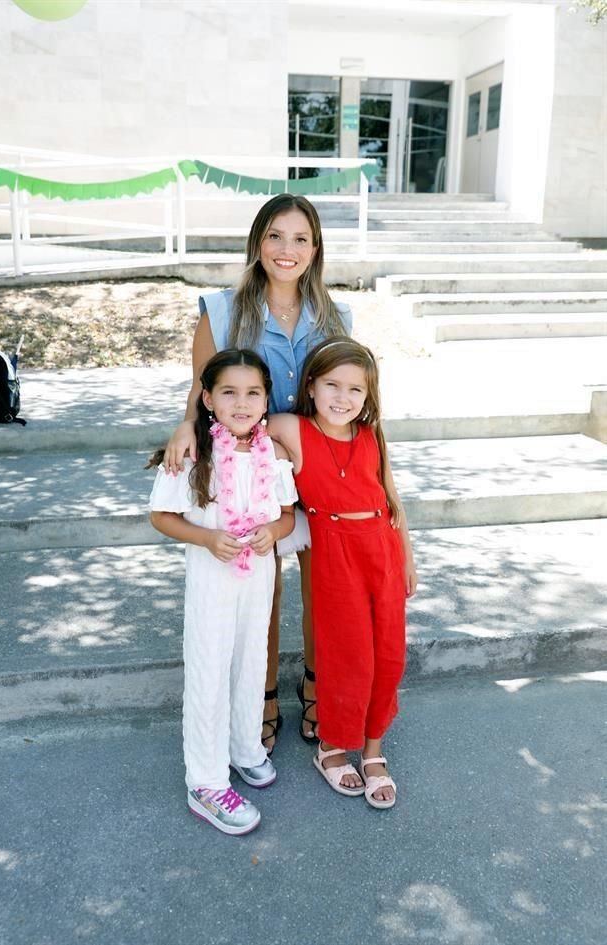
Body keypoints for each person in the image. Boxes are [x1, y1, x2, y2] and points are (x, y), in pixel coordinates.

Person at [163, 194, 353, 753]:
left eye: (300, 238)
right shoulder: (221, 311)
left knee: (325, 588)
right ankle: (261, 696)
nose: (286, 249)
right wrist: (183, 426)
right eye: (275, 236)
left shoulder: (338, 317)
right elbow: (201, 389)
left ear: (315, 248)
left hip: (321, 467)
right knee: (259, 584)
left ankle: (317, 687)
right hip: (251, 471)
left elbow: (350, 395)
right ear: (257, 242)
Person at [148, 349, 296, 835]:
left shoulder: (271, 455)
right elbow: (161, 516)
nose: (242, 402)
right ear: (207, 399)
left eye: (253, 392)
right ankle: (206, 782)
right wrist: (208, 538)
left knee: (251, 662)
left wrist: (274, 531)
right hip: (212, 582)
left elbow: (289, 514)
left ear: (266, 398)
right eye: (228, 392)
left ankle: (244, 748)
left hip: (257, 580)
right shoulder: (193, 454)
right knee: (210, 670)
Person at [267, 337, 418, 809]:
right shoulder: (291, 428)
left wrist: (407, 557)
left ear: (368, 396)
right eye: (332, 384)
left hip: (382, 550)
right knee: (347, 655)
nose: (343, 397)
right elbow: (237, 424)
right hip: (335, 554)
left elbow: (392, 499)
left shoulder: (370, 435)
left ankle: (373, 750)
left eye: (356, 389)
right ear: (310, 385)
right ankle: (332, 747)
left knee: (388, 656)